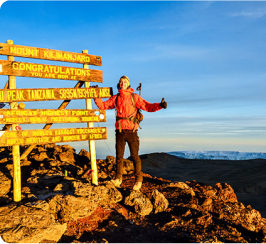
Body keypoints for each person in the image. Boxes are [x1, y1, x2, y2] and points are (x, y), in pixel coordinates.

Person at [94, 75, 167, 191]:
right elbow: (103, 105)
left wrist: (160, 106)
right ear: (119, 84)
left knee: (135, 157)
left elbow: (147, 106)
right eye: (121, 82)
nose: (122, 83)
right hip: (120, 131)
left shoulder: (134, 97)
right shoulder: (116, 98)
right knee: (119, 156)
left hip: (132, 131)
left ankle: (138, 180)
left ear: (128, 84)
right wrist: (96, 96)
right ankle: (118, 179)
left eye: (124, 82)